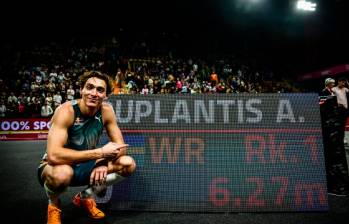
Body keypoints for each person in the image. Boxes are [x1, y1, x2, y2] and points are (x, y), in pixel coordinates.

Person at [37, 71, 136, 224]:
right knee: (63, 173)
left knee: (128, 164)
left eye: (100, 90)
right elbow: (54, 156)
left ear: (106, 96)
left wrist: (102, 162)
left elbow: (120, 147)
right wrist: (100, 153)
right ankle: (53, 205)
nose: (94, 93)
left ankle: (84, 197)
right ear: (81, 89)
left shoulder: (107, 111)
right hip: (55, 166)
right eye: (89, 87)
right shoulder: (66, 111)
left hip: (86, 164)